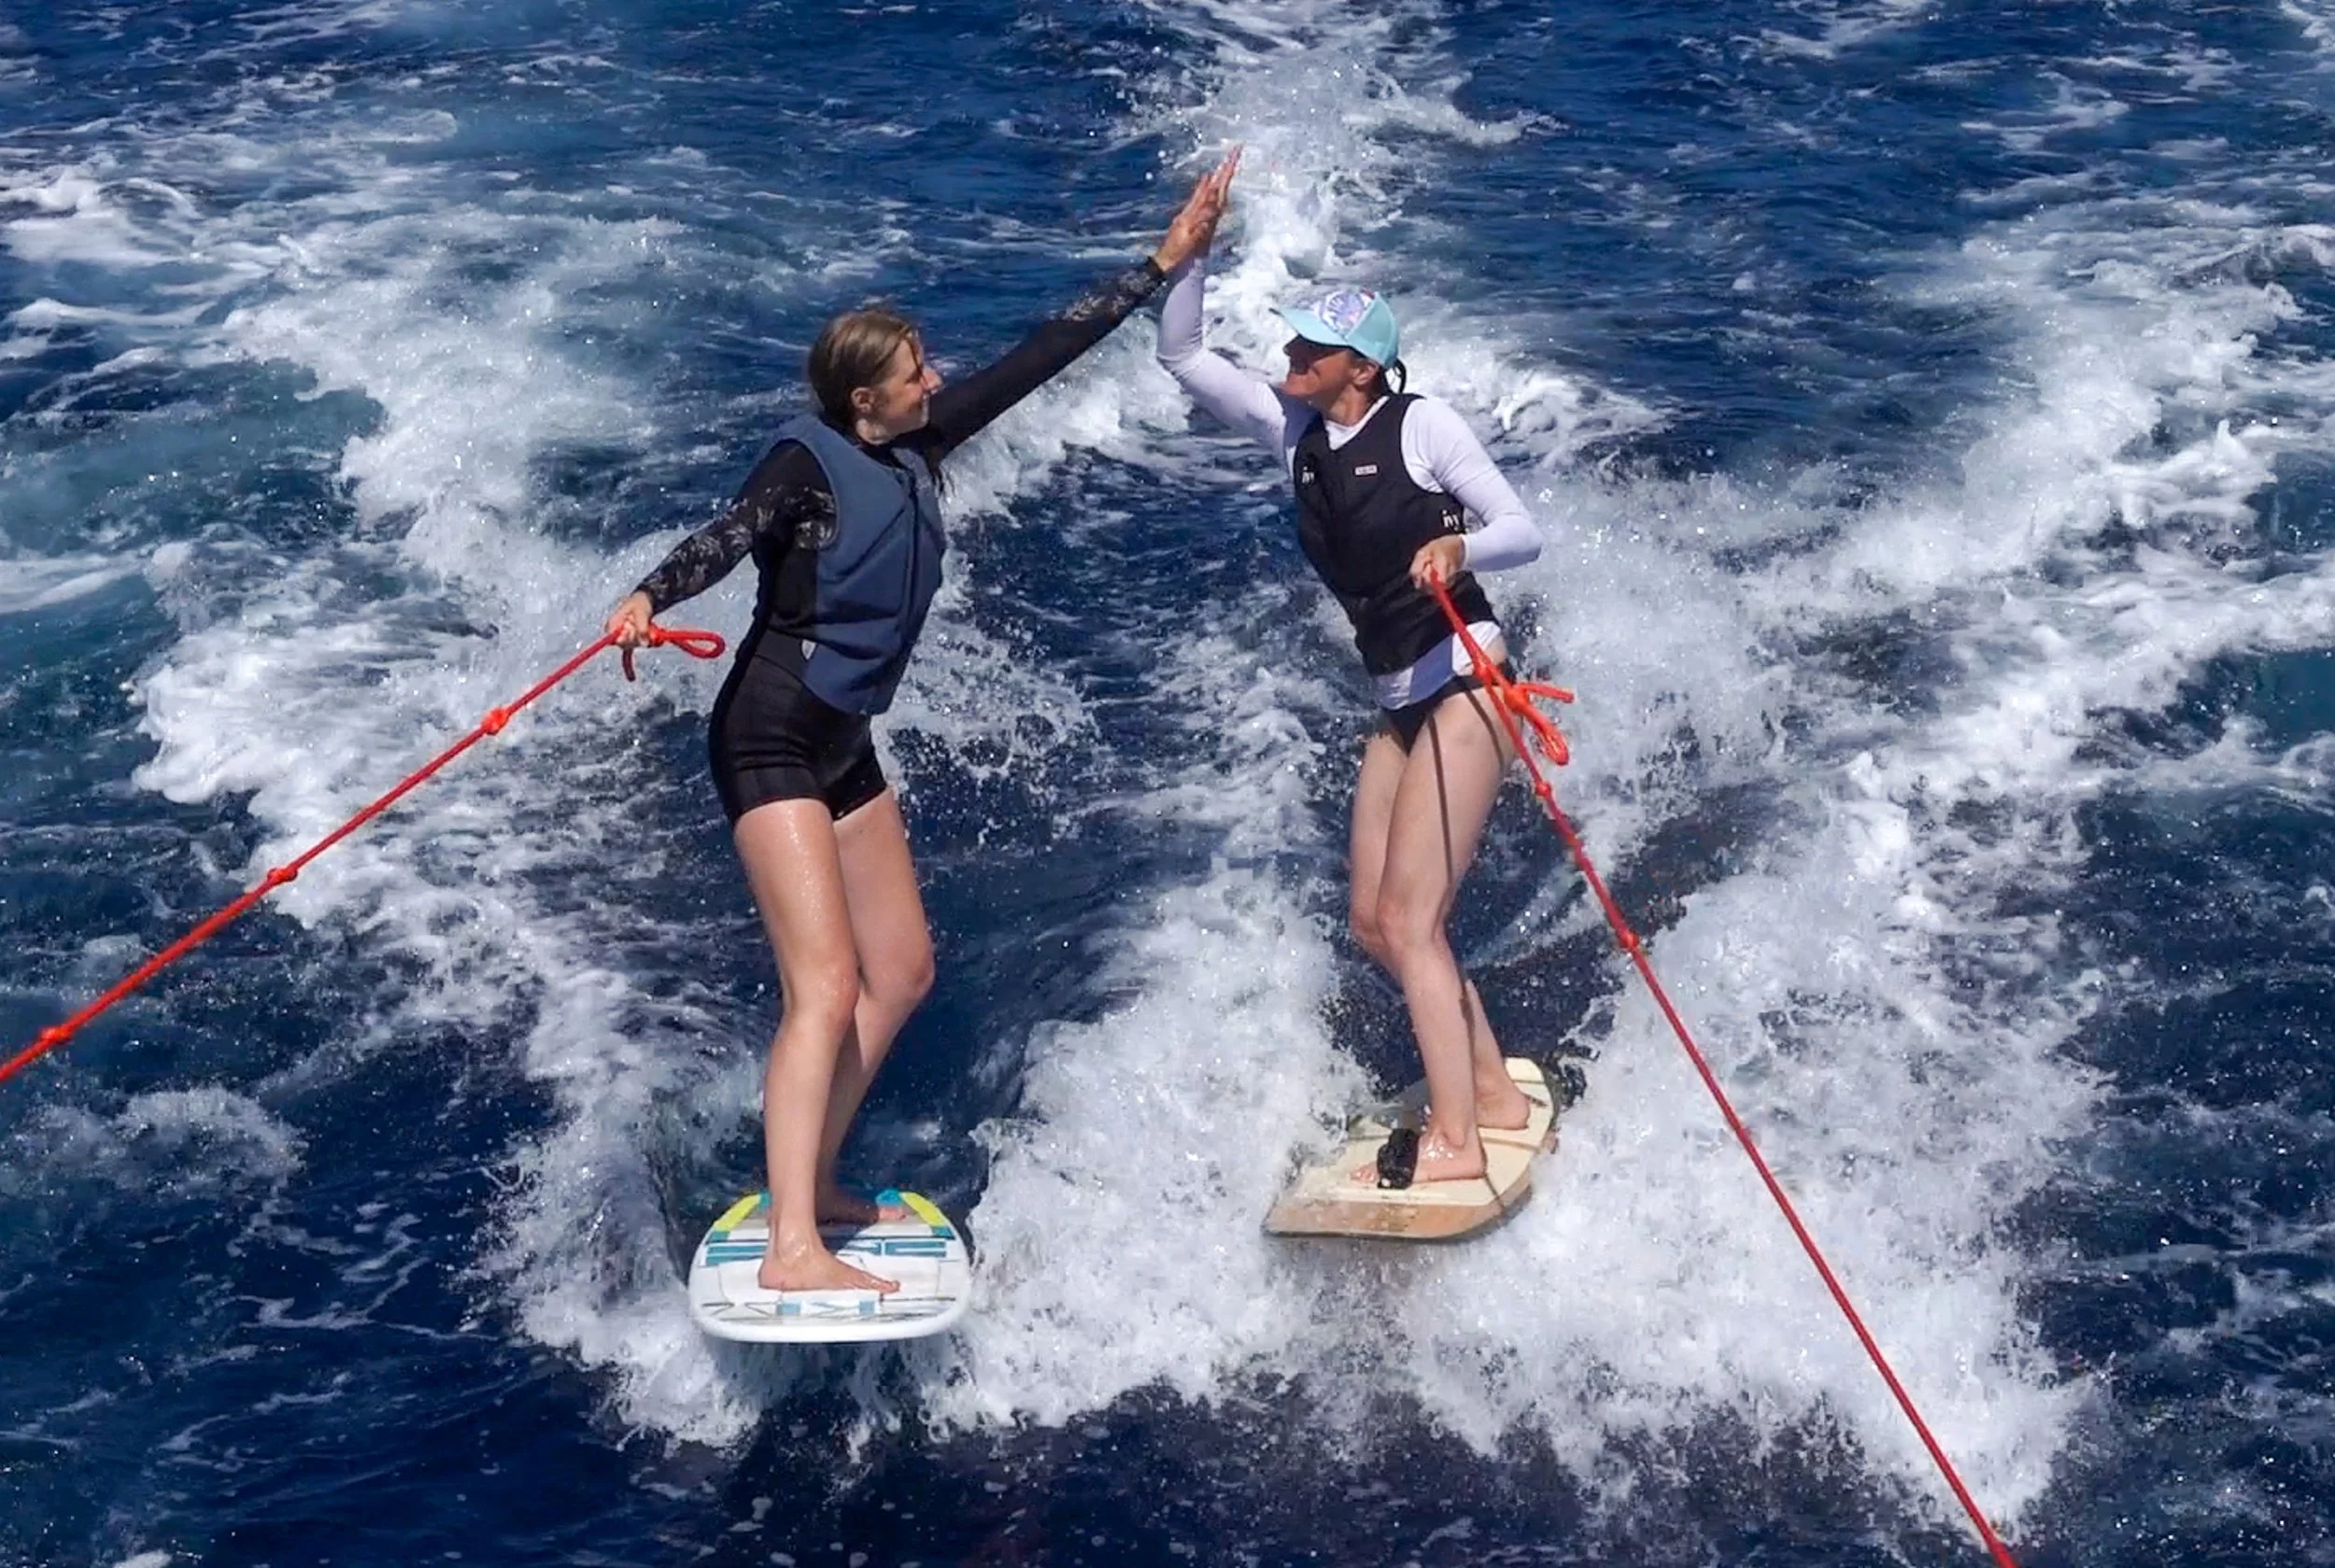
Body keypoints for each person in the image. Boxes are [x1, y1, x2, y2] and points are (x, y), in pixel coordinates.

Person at [609, 173, 1232, 1295]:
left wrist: (1162, 261)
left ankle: (814, 1181)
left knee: (901, 970)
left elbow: (1041, 353)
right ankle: (794, 1243)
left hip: (842, 739)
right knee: (827, 985)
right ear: (864, 400)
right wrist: (651, 593)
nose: (933, 382)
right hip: (768, 735)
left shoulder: (917, 443)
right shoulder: (805, 462)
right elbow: (726, 534)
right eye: (912, 375)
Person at [1155, 149, 1546, 1191]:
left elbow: (1523, 527)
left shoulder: (1423, 427)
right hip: (1396, 703)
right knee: (1375, 921)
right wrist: (1187, 254)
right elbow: (1184, 355)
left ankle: (1461, 1142)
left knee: (1414, 920)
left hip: (1468, 686)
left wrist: (1463, 549)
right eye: (1294, 339)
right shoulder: (1293, 427)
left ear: (1359, 368)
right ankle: (1496, 1095)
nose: (1290, 351)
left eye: (1312, 346)